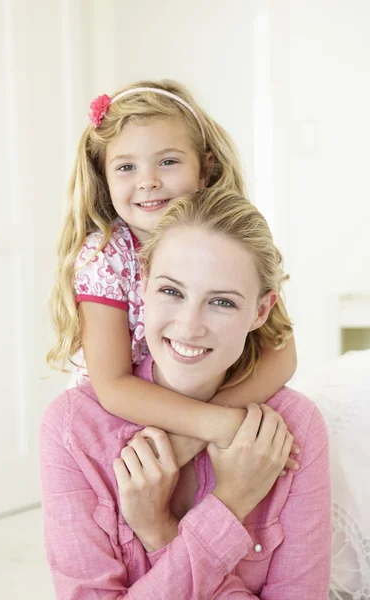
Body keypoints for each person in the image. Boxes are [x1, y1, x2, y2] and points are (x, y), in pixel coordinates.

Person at [40, 188, 331, 598]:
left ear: (261, 311)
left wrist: (161, 532)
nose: (190, 326)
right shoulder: (74, 429)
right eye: (172, 292)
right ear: (142, 284)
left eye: (222, 302)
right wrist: (227, 508)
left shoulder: (294, 426)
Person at [46, 80, 298, 454]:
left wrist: (206, 427)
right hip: (119, 424)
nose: (148, 181)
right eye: (127, 167)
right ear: (104, 177)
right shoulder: (104, 257)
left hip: (206, 406)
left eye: (167, 161)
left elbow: (282, 354)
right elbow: (114, 386)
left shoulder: (231, 243)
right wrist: (215, 425)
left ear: (205, 169)